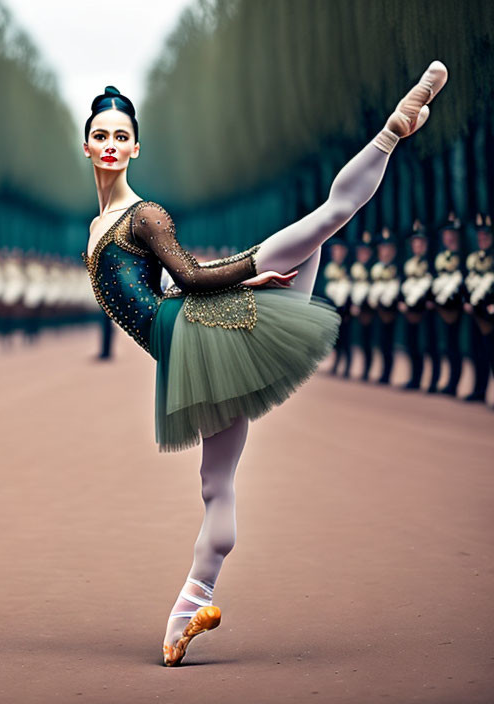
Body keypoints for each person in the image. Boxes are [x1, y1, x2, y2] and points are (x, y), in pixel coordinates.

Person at [79, 63, 448, 666]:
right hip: (189, 348)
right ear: (88, 142)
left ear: (136, 147)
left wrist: (252, 272)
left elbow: (192, 277)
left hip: (194, 332)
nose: (112, 145)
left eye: (122, 136)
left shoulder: (144, 216)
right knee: (214, 484)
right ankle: (189, 609)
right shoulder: (98, 226)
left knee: (322, 223)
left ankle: (392, 130)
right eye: (103, 135)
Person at [399, 222, 440, 391]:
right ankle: (415, 378)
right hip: (410, 310)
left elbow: (437, 282)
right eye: (415, 243)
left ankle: (433, 382)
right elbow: (403, 282)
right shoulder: (409, 263)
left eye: (421, 243)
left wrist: (431, 300)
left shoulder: (432, 263)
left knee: (430, 346)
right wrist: (401, 300)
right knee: (412, 345)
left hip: (427, 311)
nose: (418, 246)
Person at [431, 215, 465, 395]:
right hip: (442, 307)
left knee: (464, 347)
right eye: (446, 234)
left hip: (460, 307)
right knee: (448, 346)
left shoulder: (464, 255)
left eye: (452, 233)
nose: (449, 237)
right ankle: (451, 382)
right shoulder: (441, 257)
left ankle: (472, 387)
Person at [464, 214, 493, 402]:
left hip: (491, 312)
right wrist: (466, 300)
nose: (482, 240)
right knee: (478, 353)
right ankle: (479, 390)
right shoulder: (474, 259)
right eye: (480, 237)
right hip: (476, 311)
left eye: (486, 237)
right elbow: (468, 282)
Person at [368, 227, 400, 384]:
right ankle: (382, 372)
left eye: (388, 248)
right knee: (380, 342)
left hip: (392, 311)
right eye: (382, 248)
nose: (385, 252)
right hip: (378, 311)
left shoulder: (398, 268)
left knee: (389, 342)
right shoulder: (375, 268)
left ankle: (388, 373)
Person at [322, 237, 352, 376]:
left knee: (346, 339)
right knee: (336, 339)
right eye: (334, 251)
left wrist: (348, 309)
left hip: (345, 311)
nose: (336, 253)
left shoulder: (350, 269)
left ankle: (347, 367)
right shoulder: (329, 268)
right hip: (333, 310)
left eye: (339, 250)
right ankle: (336, 364)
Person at [350, 231, 375, 381]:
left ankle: (368, 370)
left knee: (368, 341)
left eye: (365, 252)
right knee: (359, 340)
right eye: (360, 252)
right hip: (356, 308)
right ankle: (358, 368)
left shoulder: (374, 269)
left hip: (369, 310)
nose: (362, 255)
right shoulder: (355, 268)